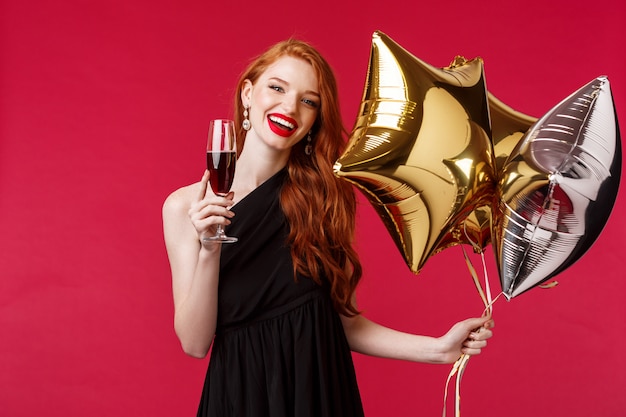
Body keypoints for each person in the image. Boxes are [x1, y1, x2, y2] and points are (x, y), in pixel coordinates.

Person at [162, 38, 494, 417]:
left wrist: (437, 349)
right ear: (248, 95)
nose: (290, 107)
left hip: (320, 390)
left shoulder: (323, 199)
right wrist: (210, 249)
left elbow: (342, 322)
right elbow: (194, 342)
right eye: (277, 87)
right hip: (242, 395)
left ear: (315, 118)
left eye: (309, 100)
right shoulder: (184, 207)